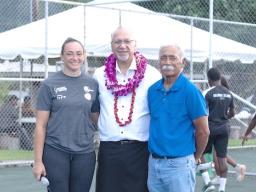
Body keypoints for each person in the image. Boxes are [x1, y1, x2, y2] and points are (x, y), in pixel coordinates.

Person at [93, 26, 162, 192]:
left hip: (140, 149)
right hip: (109, 149)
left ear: (135, 45)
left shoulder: (152, 75)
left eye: (127, 41)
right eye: (117, 42)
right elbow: (95, 111)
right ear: (111, 45)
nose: (122, 45)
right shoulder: (99, 74)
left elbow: (158, 112)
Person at [32, 37, 100, 192]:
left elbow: (96, 116)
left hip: (85, 153)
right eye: (69, 54)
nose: (75, 58)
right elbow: (40, 125)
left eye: (78, 54)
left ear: (84, 56)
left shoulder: (93, 84)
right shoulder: (49, 84)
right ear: (61, 56)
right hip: (55, 152)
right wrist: (37, 162)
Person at [147, 44, 210, 192]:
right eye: (163, 58)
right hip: (154, 163)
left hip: (180, 165)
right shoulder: (152, 90)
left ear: (183, 62)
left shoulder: (191, 91)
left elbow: (203, 131)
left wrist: (194, 158)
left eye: (172, 58)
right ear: (158, 62)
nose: (167, 62)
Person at [200, 68, 235, 192]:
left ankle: (208, 182)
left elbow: (201, 113)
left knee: (199, 153)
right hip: (224, 128)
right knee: (222, 157)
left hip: (210, 128)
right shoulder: (229, 93)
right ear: (220, 78)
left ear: (209, 79)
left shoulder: (207, 93)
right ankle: (222, 189)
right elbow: (232, 113)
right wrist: (223, 118)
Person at [210, 76, 246, 184]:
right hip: (221, 126)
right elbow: (231, 112)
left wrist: (222, 119)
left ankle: (236, 167)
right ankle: (227, 171)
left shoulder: (220, 95)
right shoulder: (224, 94)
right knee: (217, 153)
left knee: (218, 153)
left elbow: (231, 112)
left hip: (219, 127)